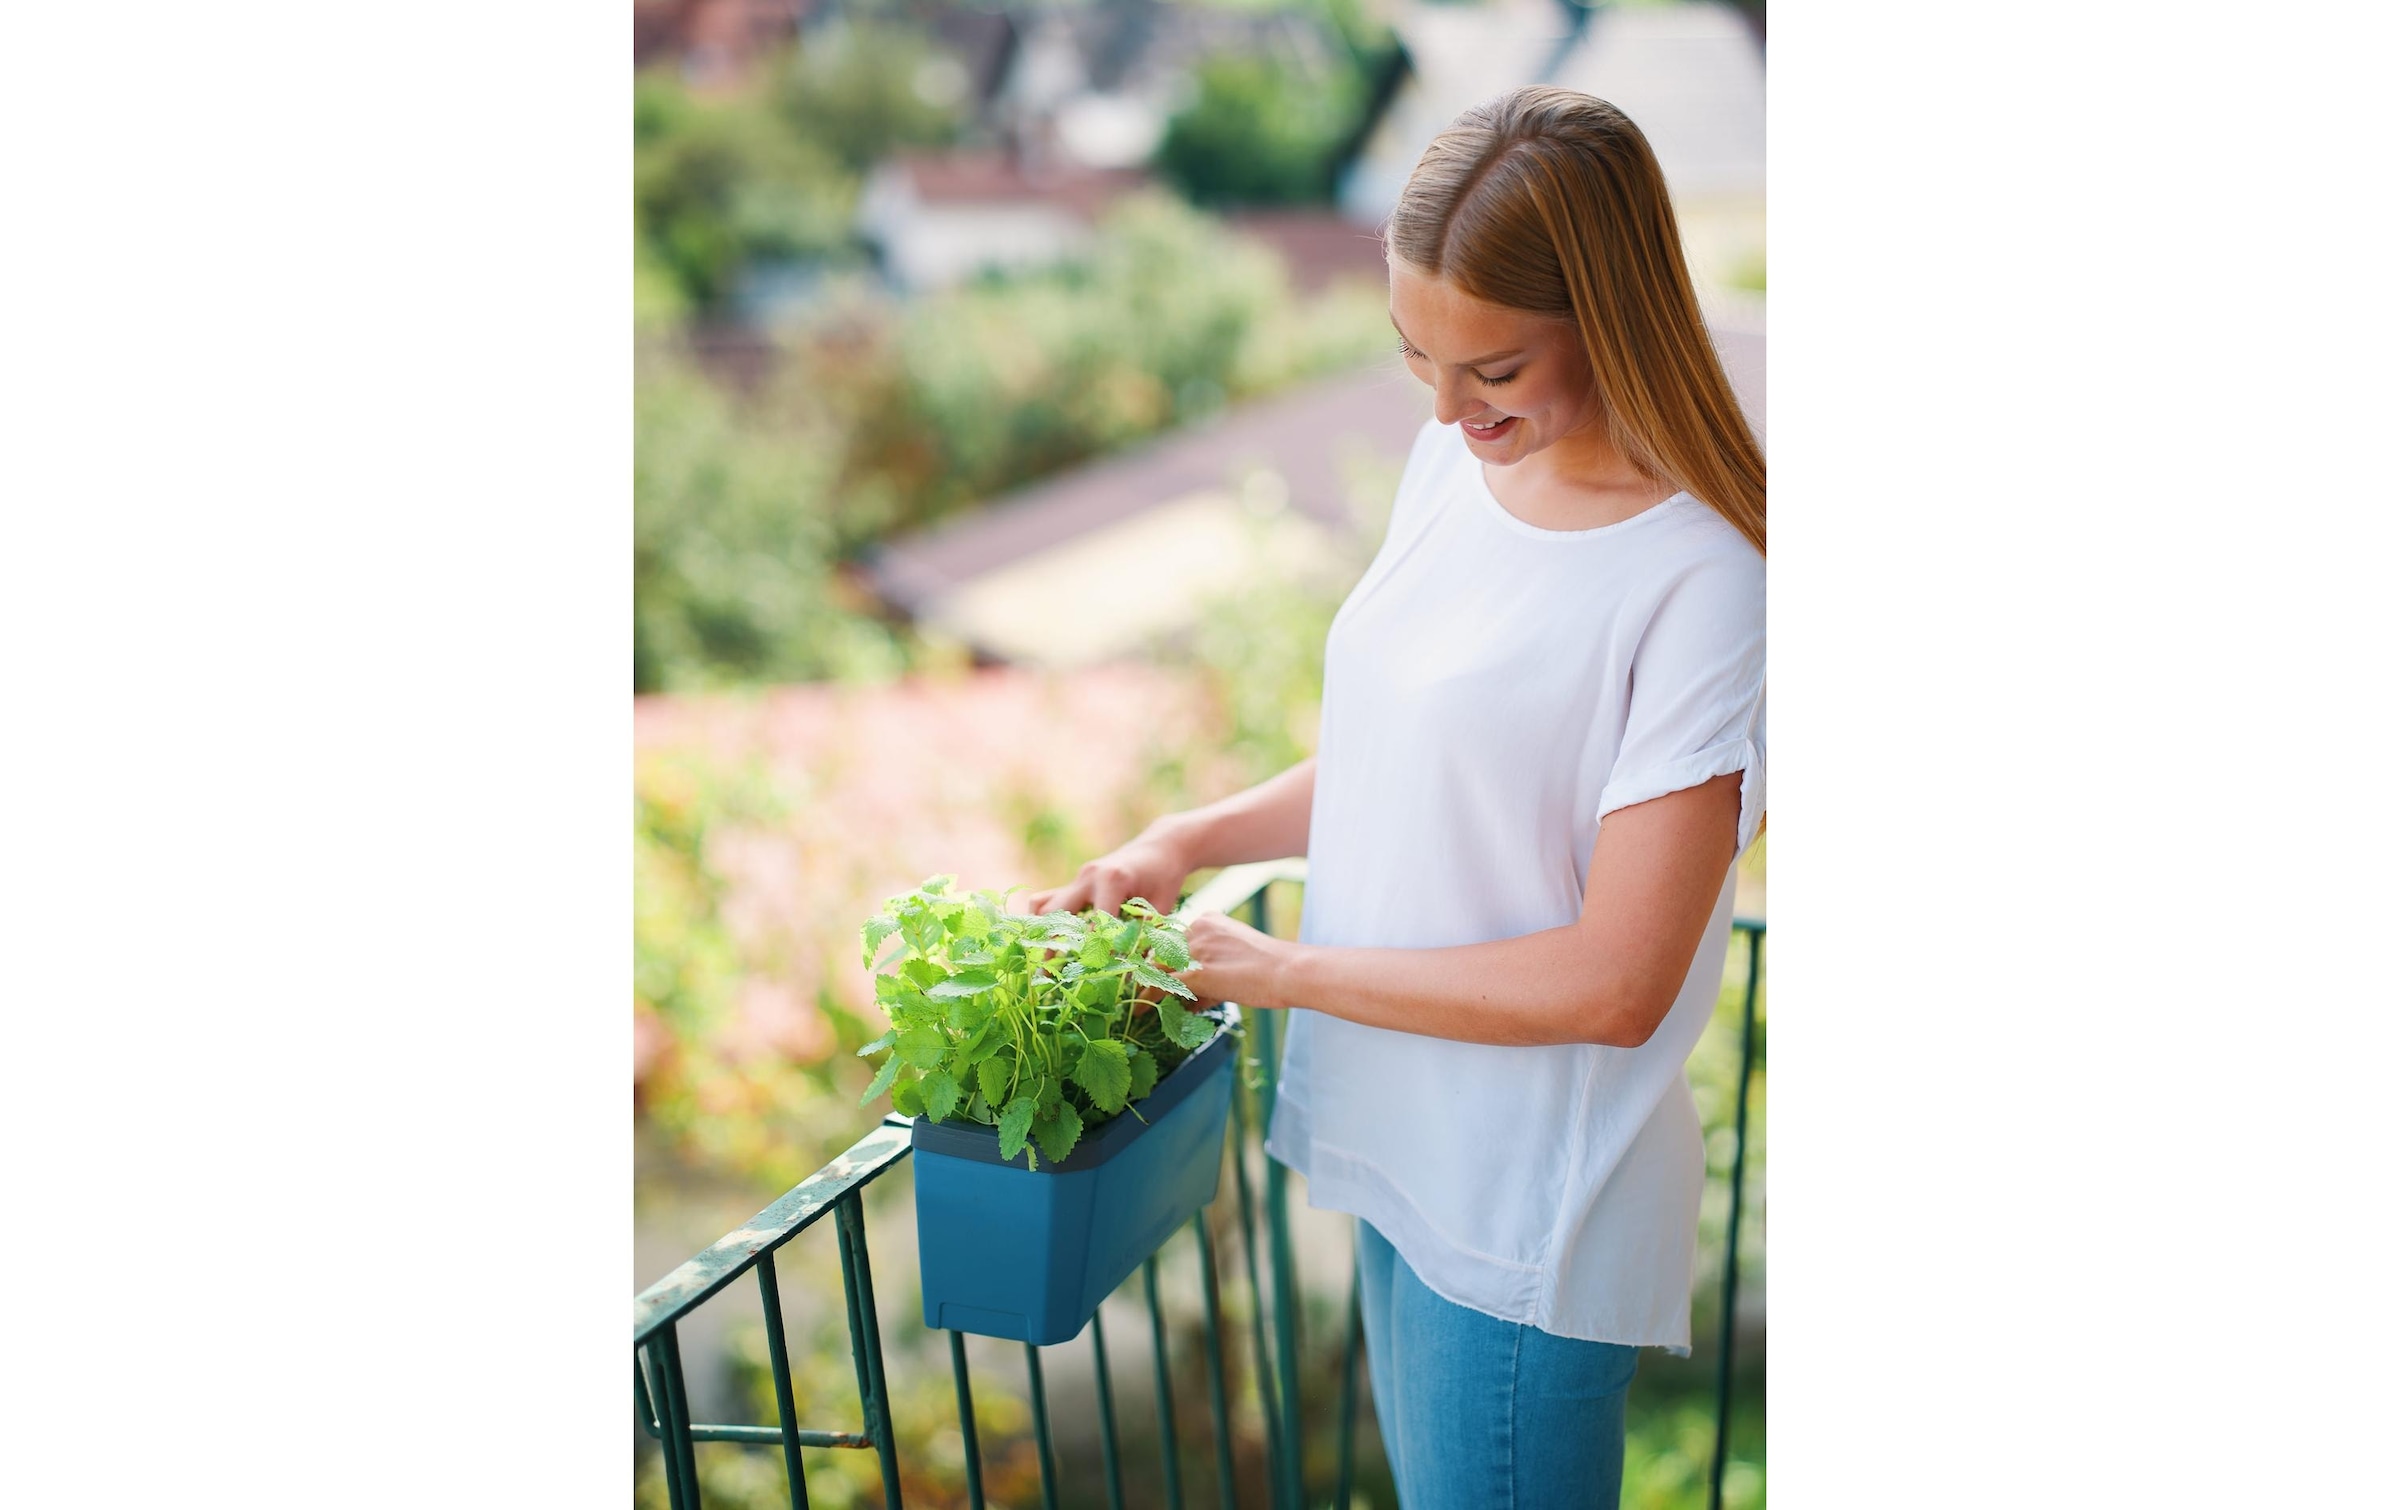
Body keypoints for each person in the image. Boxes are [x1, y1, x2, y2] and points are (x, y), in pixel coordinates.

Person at [1025, 85, 1764, 1510]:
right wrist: (1189, 838)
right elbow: (1407, 757)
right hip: (1399, 1143)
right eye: (1415, 352)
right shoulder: (1457, 458)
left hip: (1520, 1206)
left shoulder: (1704, 579)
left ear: (1612, 319)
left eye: (1492, 366)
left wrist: (1278, 970)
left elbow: (1619, 981)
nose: (1442, 405)